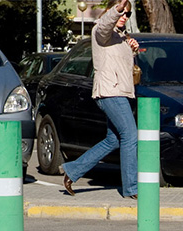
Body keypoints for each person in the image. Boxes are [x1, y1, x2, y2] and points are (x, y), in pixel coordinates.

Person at [61, 0, 139, 199]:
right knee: (130, 136)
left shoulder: (122, 38)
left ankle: (72, 171)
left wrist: (133, 50)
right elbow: (105, 24)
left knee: (113, 140)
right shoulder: (100, 32)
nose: (124, 16)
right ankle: (131, 188)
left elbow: (125, 69)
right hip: (109, 92)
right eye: (122, 12)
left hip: (121, 92)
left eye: (128, 14)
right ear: (111, 11)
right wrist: (117, 8)